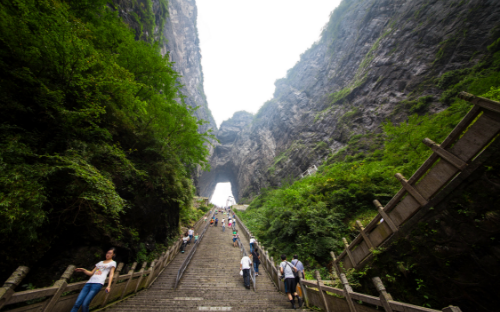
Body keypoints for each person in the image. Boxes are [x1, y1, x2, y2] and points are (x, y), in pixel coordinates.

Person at [70, 248, 117, 312]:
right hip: (89, 283)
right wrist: (83, 270)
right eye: (107, 253)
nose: (107, 254)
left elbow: (111, 274)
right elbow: (91, 273)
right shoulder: (100, 262)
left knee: (85, 304)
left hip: (98, 284)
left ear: (113, 255)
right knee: (77, 303)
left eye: (110, 253)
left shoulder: (113, 263)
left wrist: (109, 286)